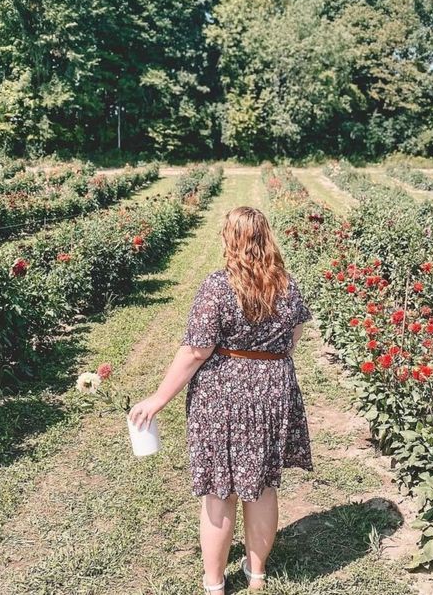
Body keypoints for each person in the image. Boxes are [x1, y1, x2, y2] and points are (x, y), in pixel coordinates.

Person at [128, 206, 313, 593]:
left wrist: (157, 400)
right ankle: (256, 573)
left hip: (223, 397)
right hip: (273, 389)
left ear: (230, 239)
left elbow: (196, 351)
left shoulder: (218, 286)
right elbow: (293, 338)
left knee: (220, 489)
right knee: (262, 486)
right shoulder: (286, 284)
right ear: (266, 236)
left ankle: (214, 583)